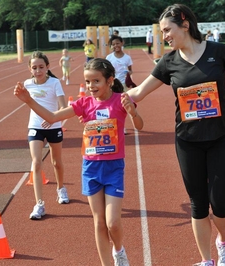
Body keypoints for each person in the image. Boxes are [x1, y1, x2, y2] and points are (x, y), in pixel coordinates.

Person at [126, 4, 225, 266]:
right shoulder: (168, 62)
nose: (164, 35)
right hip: (187, 141)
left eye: (167, 29)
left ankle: (224, 242)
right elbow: (138, 92)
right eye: (162, 31)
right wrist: (105, 100)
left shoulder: (217, 51)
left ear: (185, 24)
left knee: (219, 202)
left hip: (219, 137)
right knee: (198, 203)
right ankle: (207, 260)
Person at [14, 58, 143, 265]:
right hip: (91, 168)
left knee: (113, 223)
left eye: (96, 81)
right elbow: (52, 116)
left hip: (113, 168)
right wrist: (28, 100)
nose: (91, 86)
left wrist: (133, 112)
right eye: (88, 81)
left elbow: (139, 125)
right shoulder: (84, 103)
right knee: (99, 222)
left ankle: (119, 251)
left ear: (109, 80)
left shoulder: (121, 100)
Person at [17, 51, 69, 220]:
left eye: (41, 67)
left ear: (47, 67)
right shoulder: (27, 84)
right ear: (29, 69)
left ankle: (61, 189)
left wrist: (52, 118)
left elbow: (64, 107)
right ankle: (39, 204)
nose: (38, 70)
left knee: (56, 162)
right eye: (34, 68)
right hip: (35, 127)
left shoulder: (55, 83)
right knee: (36, 163)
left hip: (54, 125)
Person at [106, 35, 135, 135]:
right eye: (113, 44)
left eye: (117, 43)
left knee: (123, 106)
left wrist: (127, 73)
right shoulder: (109, 57)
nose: (115, 46)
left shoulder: (127, 58)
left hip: (123, 85)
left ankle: (122, 127)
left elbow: (131, 70)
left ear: (122, 43)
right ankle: (112, 125)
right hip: (112, 84)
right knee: (112, 106)